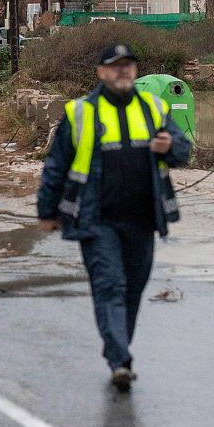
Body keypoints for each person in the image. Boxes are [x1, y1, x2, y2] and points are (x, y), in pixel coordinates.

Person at [37, 44, 191, 393]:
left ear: (135, 71)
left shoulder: (154, 108)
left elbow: (183, 152)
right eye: (115, 66)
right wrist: (47, 210)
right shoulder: (80, 113)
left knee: (133, 292)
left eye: (129, 65)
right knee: (110, 287)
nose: (123, 71)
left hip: (142, 220)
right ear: (101, 73)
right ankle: (121, 361)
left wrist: (172, 148)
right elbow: (56, 165)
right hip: (97, 220)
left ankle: (116, 348)